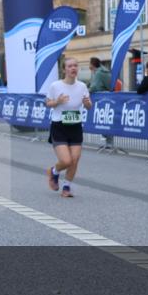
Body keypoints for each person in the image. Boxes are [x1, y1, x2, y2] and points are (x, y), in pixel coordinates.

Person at [45, 57, 93, 198]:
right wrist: (57, 101)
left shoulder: (82, 86)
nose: (73, 68)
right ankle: (54, 171)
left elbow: (89, 106)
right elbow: (47, 103)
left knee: (75, 159)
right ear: (64, 69)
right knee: (66, 161)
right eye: (70, 66)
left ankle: (66, 187)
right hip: (59, 126)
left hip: (75, 126)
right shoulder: (55, 86)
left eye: (75, 65)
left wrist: (87, 103)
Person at [88, 57, 114, 149]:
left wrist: (86, 91)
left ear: (92, 64)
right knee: (105, 120)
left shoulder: (99, 73)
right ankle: (108, 142)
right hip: (106, 99)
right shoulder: (100, 72)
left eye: (89, 63)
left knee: (104, 121)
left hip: (103, 100)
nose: (89, 65)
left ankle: (109, 143)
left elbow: (95, 87)